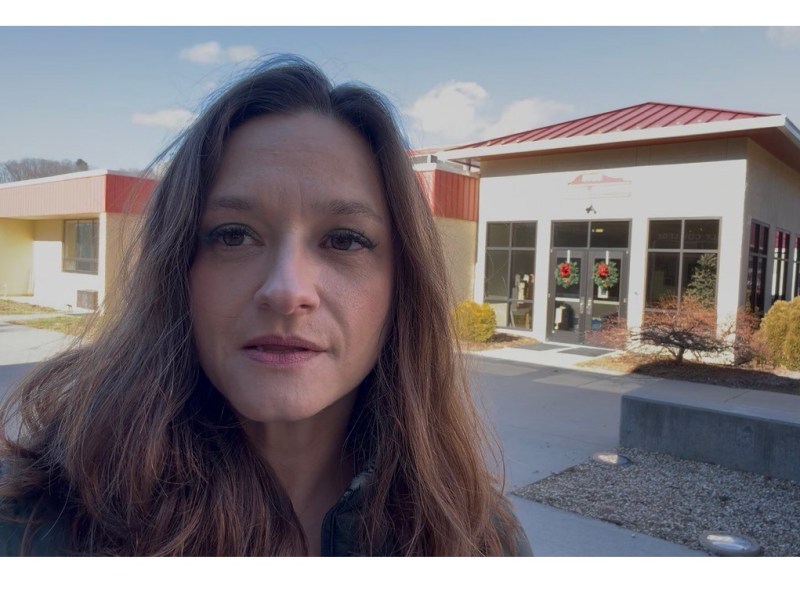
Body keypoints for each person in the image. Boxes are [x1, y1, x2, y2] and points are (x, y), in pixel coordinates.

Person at [0, 56, 532, 556]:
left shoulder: (478, 539)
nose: (286, 289)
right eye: (233, 235)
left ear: (403, 285)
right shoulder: (28, 525)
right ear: (177, 271)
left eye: (345, 240)